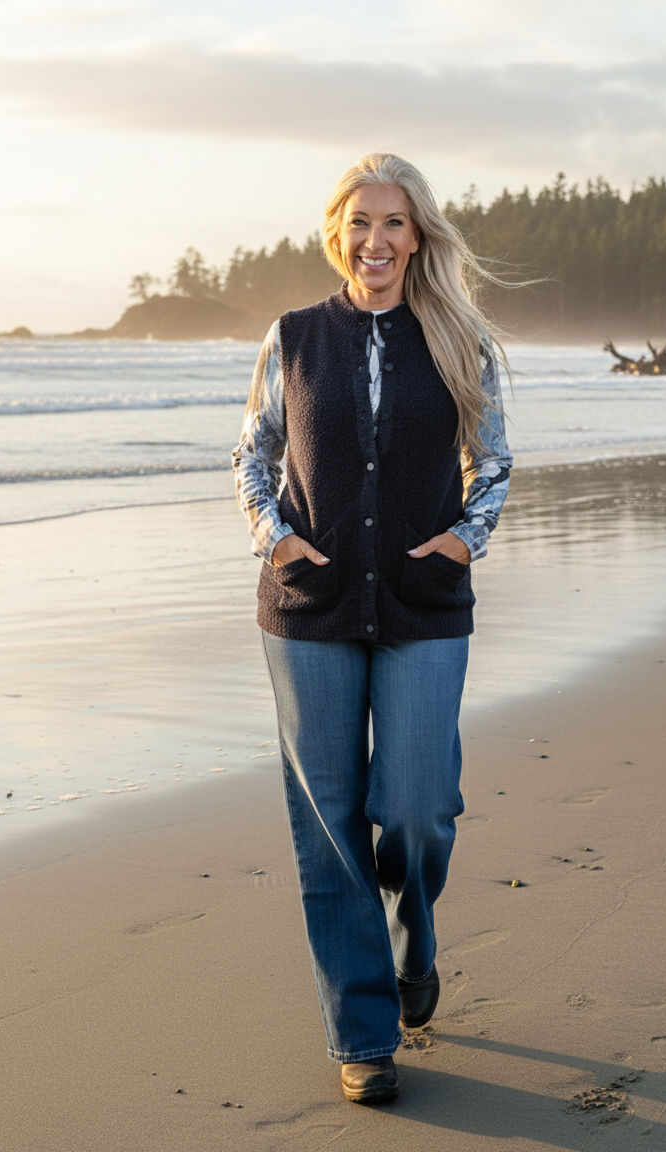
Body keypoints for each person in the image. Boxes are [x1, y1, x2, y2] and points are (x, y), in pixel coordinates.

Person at [231, 152, 513, 1105]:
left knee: (419, 809)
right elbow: (252, 454)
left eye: (395, 223)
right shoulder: (294, 335)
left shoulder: (460, 340)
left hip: (424, 605)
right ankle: (363, 1033)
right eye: (361, 222)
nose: (377, 240)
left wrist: (466, 539)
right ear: (336, 232)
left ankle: (416, 930)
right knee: (330, 830)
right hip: (308, 612)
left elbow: (497, 461)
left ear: (419, 235)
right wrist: (275, 540)